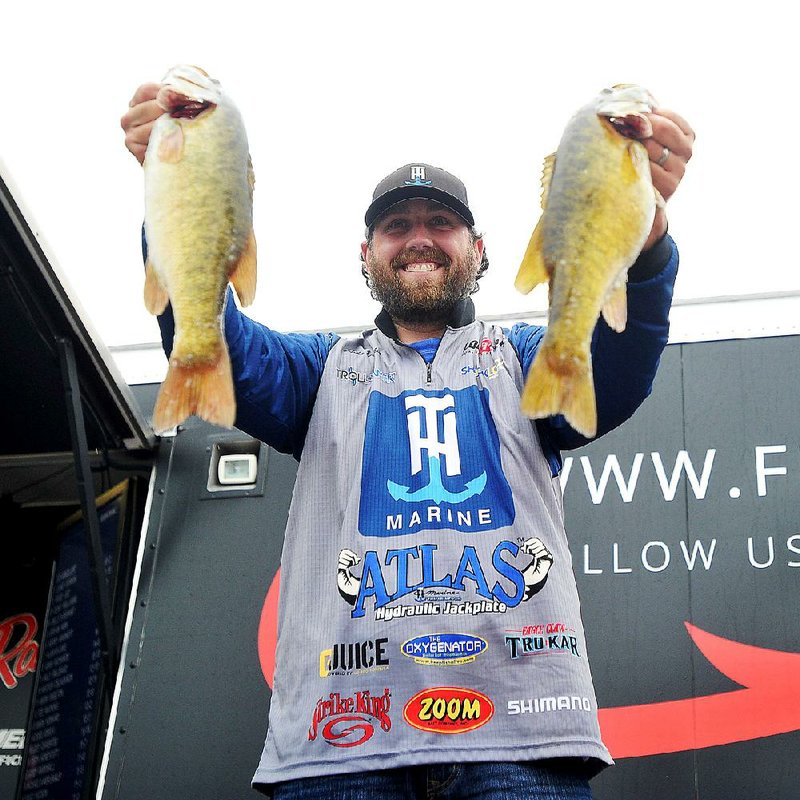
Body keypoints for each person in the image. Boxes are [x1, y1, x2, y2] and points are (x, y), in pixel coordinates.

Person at [122, 84, 695, 800]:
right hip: (341, 747)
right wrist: (174, 189)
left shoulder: (528, 358)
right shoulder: (317, 371)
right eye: (396, 225)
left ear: (479, 250)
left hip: (524, 742)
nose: (419, 235)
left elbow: (619, 363)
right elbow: (211, 342)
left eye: (441, 222)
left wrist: (643, 244)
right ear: (366, 253)